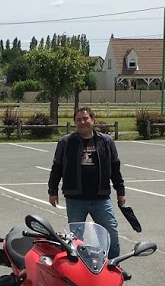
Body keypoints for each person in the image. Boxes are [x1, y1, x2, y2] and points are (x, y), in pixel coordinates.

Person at [47, 106, 126, 258]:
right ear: (74, 123)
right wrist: (53, 191)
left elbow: (115, 167)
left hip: (101, 198)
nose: (82, 122)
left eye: (85, 118)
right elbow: (56, 168)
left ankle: (114, 266)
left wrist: (120, 191)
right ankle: (79, 269)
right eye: (78, 120)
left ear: (92, 120)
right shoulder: (66, 142)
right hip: (75, 199)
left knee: (111, 233)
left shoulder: (106, 141)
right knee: (76, 239)